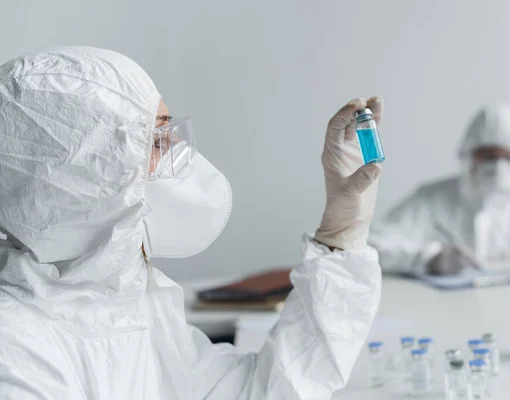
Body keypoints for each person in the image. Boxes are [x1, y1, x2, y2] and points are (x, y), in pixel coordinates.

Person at [0, 47, 384, 399]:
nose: (179, 156)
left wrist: (340, 236)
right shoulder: (15, 348)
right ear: (76, 182)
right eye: (156, 141)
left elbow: (261, 391)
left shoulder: (125, 304)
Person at [370, 103, 510, 275]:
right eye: (489, 155)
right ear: (469, 153)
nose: (498, 165)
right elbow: (371, 244)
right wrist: (427, 258)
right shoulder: (433, 199)